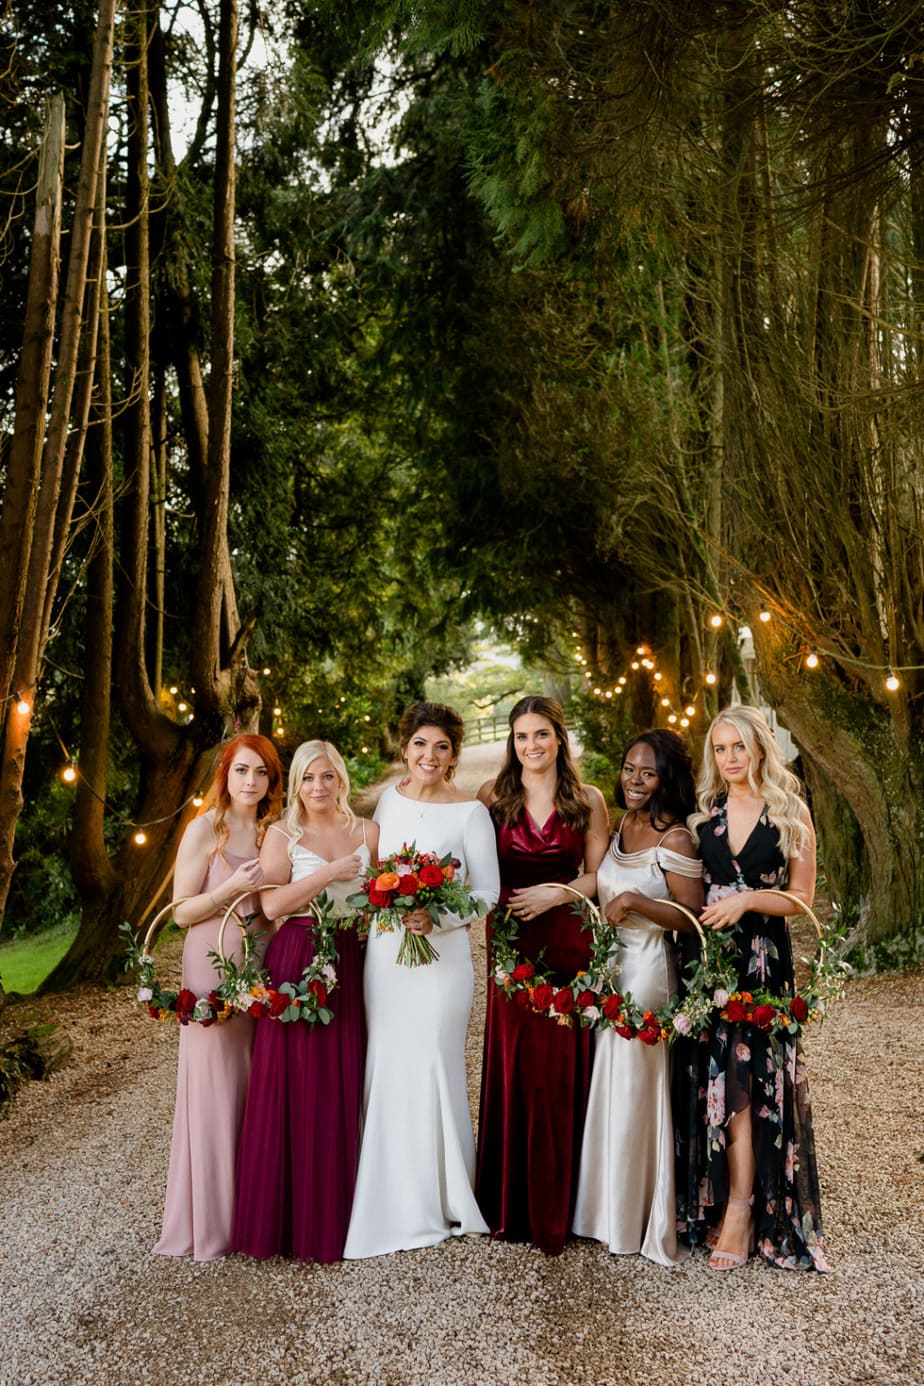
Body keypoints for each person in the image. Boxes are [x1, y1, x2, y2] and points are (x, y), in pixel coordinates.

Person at [343, 702, 500, 1258]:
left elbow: (486, 893)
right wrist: (384, 900)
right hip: (388, 956)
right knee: (388, 1058)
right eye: (419, 745)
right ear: (404, 748)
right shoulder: (388, 800)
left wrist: (438, 915)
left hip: (443, 961)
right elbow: (372, 872)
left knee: (435, 1060)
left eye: (441, 747)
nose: (429, 756)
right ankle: (388, 1192)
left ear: (454, 755)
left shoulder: (470, 814)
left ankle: (446, 1195)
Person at [687, 704, 828, 1271]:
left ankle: (749, 1209)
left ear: (761, 748)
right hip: (715, 964)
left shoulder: (790, 812)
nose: (730, 760)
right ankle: (729, 1201)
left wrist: (746, 899)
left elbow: (801, 898)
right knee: (724, 1082)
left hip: (765, 963)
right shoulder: (706, 816)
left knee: (757, 1079)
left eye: (738, 748)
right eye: (720, 750)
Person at [231, 740, 378, 1263]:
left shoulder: (368, 832)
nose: (318, 787)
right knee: (292, 1080)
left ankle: (340, 1217)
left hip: (349, 958)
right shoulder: (282, 834)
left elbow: (376, 903)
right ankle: (287, 1221)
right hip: (296, 954)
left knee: (340, 1077)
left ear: (341, 779)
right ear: (295, 785)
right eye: (307, 779)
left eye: (327, 777)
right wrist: (324, 875)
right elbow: (269, 906)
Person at [475, 695, 609, 1255]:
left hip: (568, 938)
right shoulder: (492, 798)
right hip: (512, 942)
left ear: (560, 738)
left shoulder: (588, 800)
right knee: (518, 1063)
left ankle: (569, 1204)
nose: (531, 746)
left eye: (541, 735)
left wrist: (560, 890)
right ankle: (510, 1203)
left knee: (560, 1069)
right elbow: (474, 871)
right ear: (512, 742)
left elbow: (600, 877)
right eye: (521, 736)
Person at [572, 728, 703, 1265]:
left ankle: (635, 1217)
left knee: (636, 1088)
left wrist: (635, 901)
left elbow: (692, 919)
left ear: (666, 778)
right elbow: (593, 881)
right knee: (610, 1080)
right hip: (611, 967)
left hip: (648, 970)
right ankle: (600, 1211)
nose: (634, 780)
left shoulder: (676, 840)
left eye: (647, 773)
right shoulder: (623, 824)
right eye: (629, 769)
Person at [154, 733, 283, 1262]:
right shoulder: (204, 828)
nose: (250, 782)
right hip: (209, 967)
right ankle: (210, 1221)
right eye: (241, 772)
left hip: (260, 968)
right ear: (225, 775)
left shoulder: (275, 832)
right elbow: (181, 911)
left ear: (272, 781)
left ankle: (252, 1213)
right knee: (213, 1089)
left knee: (256, 1085)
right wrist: (228, 890)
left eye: (261, 774)